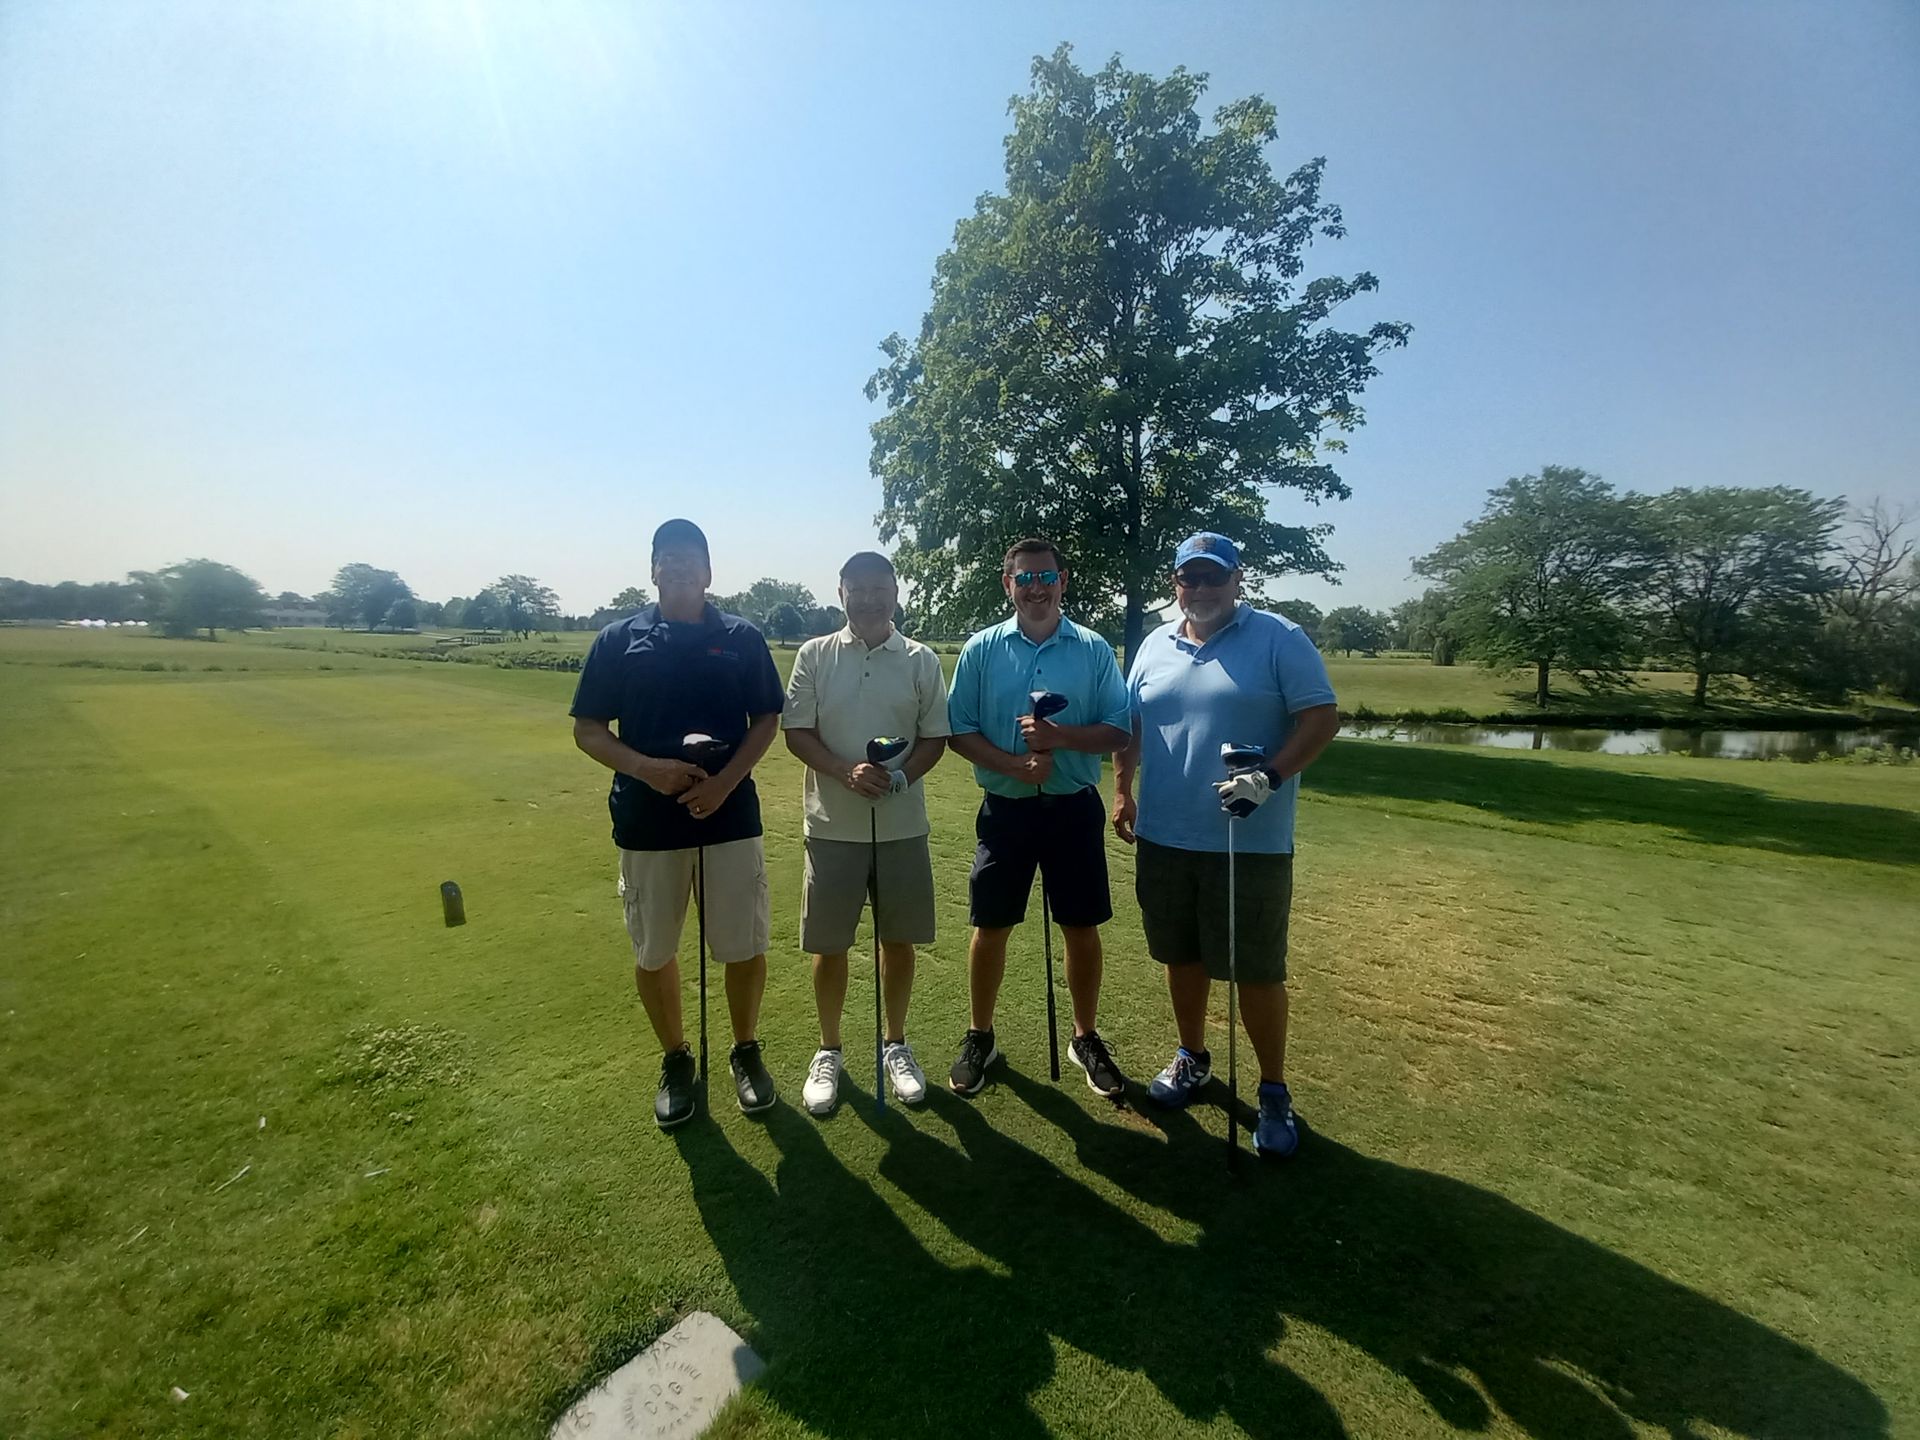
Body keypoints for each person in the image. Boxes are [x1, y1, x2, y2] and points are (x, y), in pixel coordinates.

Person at [1111, 532, 1340, 1158]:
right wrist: (1123, 789)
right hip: (1165, 835)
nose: (1202, 589)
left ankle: (1272, 1090)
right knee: (1180, 957)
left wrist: (1269, 777)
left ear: (1238, 582)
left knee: (1257, 970)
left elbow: (1321, 718)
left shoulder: (1279, 638)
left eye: (1215, 577)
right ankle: (1192, 1057)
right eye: (1191, 577)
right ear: (1176, 582)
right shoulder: (1155, 644)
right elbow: (1132, 725)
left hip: (1250, 841)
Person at [569, 518, 786, 1129]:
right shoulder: (619, 638)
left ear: (709, 572)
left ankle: (746, 1051)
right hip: (646, 819)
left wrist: (725, 782)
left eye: (691, 557)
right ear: (654, 569)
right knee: (655, 948)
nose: (680, 566)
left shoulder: (742, 637)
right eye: (668, 557)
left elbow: (766, 718)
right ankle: (676, 1060)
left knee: (743, 944)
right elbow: (588, 729)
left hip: (730, 816)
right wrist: (647, 769)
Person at [945, 537, 1132, 1098]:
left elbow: (1119, 728)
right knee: (991, 925)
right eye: (1023, 578)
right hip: (1006, 810)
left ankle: (1085, 1036)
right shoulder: (980, 649)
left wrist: (1060, 738)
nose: (1035, 588)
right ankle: (981, 1035)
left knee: (1081, 925)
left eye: (1045, 577)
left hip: (1073, 809)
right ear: (1008, 585)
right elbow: (958, 730)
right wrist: (1011, 764)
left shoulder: (1094, 649)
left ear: (1063, 581)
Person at [781, 552, 950, 1114]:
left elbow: (933, 738)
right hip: (832, 826)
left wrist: (898, 778)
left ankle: (895, 1044)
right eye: (859, 589)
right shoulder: (814, 655)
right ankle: (829, 1050)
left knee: (897, 941)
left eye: (880, 588)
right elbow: (797, 731)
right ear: (842, 592)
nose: (870, 598)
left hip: (901, 826)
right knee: (830, 946)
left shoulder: (921, 659)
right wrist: (842, 772)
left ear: (896, 592)